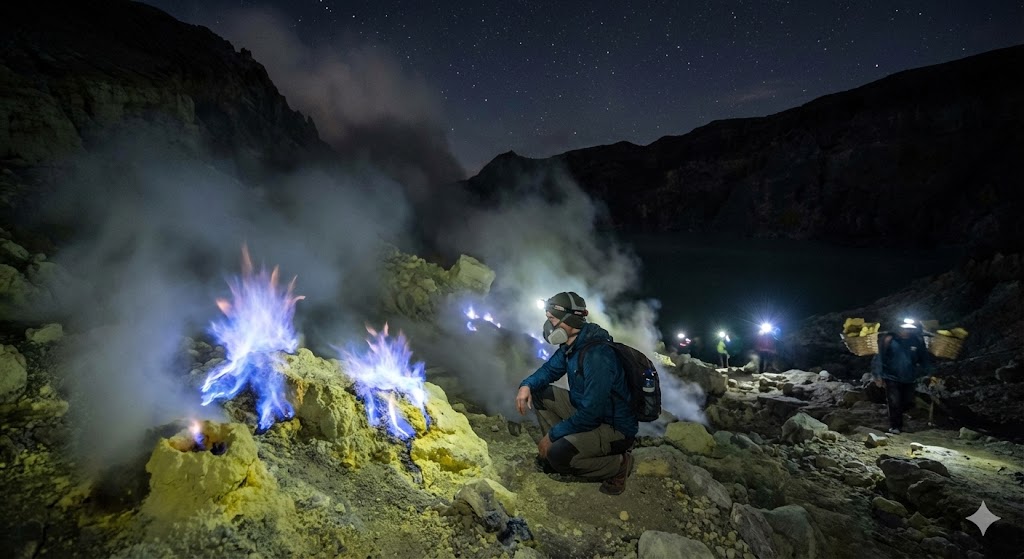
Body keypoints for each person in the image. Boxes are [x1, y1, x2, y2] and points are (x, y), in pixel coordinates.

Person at [515, 291, 638, 495]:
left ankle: (618, 464)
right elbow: (549, 370)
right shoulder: (572, 346)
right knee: (539, 392)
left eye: (552, 319)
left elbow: (591, 413)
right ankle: (561, 447)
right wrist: (526, 385)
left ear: (569, 320)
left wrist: (552, 435)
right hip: (587, 412)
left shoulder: (597, 356)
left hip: (613, 428)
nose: (549, 326)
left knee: (559, 456)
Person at [871, 321, 934, 434]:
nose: (907, 331)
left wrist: (930, 373)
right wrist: (878, 375)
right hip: (891, 377)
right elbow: (879, 358)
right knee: (894, 402)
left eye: (909, 328)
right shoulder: (889, 339)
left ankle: (900, 421)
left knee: (907, 401)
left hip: (910, 377)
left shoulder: (917, 341)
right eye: (904, 328)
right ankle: (895, 426)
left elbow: (924, 358)